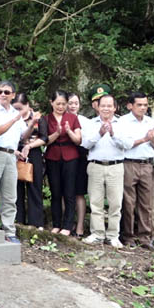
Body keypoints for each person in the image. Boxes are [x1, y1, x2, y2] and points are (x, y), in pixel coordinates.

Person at [81, 95, 132, 248]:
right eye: (103, 105)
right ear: (97, 107)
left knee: (115, 203)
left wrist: (114, 134)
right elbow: (85, 144)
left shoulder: (122, 123)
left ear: (115, 108)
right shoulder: (91, 123)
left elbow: (128, 144)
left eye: (109, 106)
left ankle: (113, 235)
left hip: (116, 166)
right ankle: (97, 234)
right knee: (95, 202)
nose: (106, 109)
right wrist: (99, 134)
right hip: (95, 166)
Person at [118, 92, 154, 250]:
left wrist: (152, 138)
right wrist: (144, 139)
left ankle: (144, 238)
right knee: (129, 202)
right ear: (130, 106)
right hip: (130, 163)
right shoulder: (123, 122)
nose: (143, 108)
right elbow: (125, 144)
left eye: (145, 105)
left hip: (147, 164)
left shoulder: (151, 121)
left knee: (146, 203)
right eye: (139, 105)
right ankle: (128, 236)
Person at [0, 80, 28, 243]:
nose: (2, 95)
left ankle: (9, 229)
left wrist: (32, 123)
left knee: (10, 195)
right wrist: (14, 119)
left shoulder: (15, 112)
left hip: (12, 155)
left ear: (13, 95)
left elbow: (22, 136)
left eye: (6, 92)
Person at [44, 90, 82, 236]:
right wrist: (57, 133)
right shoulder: (47, 119)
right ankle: (56, 224)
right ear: (51, 103)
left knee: (69, 192)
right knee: (55, 191)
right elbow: (45, 140)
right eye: (58, 103)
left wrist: (68, 131)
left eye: (63, 104)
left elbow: (78, 140)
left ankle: (67, 225)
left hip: (70, 156)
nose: (61, 107)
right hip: (53, 155)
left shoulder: (72, 118)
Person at [12, 93, 47, 229]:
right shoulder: (13, 117)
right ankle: (18, 219)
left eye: (20, 108)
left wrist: (30, 145)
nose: (18, 112)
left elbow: (44, 138)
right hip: (16, 153)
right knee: (16, 188)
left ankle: (35, 222)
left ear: (27, 105)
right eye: (15, 109)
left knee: (34, 187)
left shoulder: (38, 118)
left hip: (34, 153)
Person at [68, 92, 92, 238]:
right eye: (70, 103)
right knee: (65, 193)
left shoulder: (84, 121)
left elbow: (87, 141)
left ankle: (80, 226)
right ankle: (67, 223)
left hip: (80, 158)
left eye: (75, 103)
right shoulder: (59, 118)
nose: (73, 106)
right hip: (63, 158)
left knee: (78, 193)